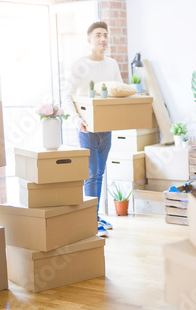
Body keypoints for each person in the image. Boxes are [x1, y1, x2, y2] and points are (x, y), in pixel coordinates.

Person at [62, 21, 123, 237]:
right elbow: (67, 95)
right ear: (89, 40)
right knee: (91, 173)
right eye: (98, 35)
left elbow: (119, 90)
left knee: (101, 172)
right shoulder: (79, 65)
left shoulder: (112, 64)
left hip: (106, 127)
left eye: (105, 35)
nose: (103, 39)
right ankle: (90, 220)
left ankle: (95, 216)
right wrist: (76, 119)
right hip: (86, 127)